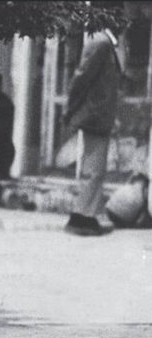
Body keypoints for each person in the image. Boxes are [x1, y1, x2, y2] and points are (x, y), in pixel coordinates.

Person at [63, 27, 121, 236]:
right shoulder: (100, 43)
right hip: (95, 115)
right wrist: (70, 110)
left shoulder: (104, 43)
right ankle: (82, 217)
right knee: (93, 170)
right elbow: (82, 78)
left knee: (95, 169)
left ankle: (87, 215)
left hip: (99, 115)